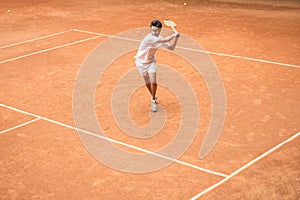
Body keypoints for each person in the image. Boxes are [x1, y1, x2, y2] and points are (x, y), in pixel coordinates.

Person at [135, 19, 180, 112]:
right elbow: (165, 40)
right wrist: (174, 34)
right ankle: (154, 97)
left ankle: (153, 101)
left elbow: (172, 48)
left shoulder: (159, 38)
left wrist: (176, 38)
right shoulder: (149, 38)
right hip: (140, 62)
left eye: (156, 30)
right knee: (147, 82)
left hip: (151, 61)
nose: (154, 32)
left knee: (153, 81)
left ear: (160, 30)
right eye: (152, 30)